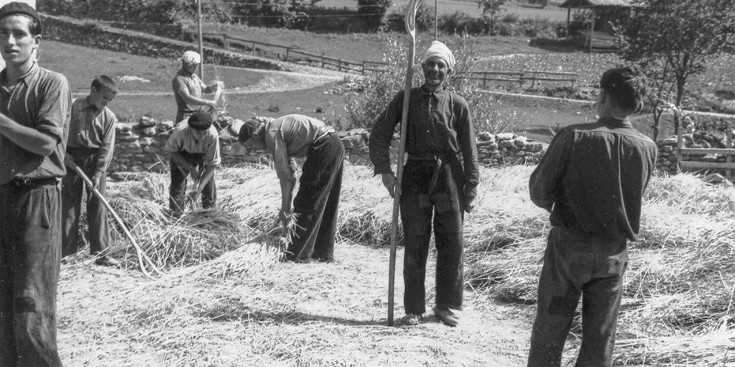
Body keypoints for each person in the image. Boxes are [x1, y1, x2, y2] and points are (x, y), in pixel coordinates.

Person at [526, 66, 657, 366]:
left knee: (550, 327)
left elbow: (539, 190)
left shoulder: (574, 136)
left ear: (603, 95)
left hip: (568, 249)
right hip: (613, 254)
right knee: (600, 338)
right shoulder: (647, 148)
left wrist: (555, 205)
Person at [369, 41, 479, 327]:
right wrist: (385, 171)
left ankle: (445, 306)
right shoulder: (405, 100)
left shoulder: (458, 104)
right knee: (416, 241)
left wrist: (472, 184)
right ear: (422, 68)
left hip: (448, 179)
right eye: (430, 64)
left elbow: (469, 149)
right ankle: (414, 309)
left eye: (441, 65)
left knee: (451, 240)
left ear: (449, 71)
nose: (435, 69)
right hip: (415, 176)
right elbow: (379, 133)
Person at [0, 2, 72, 366]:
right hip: (1, 197)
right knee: (3, 303)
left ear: (36, 41)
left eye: (19, 34)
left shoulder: (51, 84)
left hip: (36, 198)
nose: (10, 41)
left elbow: (46, 143)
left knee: (32, 302)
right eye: (3, 33)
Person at [238, 114, 344, 262]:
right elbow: (291, 172)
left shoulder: (272, 134)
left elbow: (285, 177)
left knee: (306, 201)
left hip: (323, 146)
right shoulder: (275, 127)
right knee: (325, 202)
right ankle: (322, 254)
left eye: (251, 145)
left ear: (256, 135)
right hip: (334, 143)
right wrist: (286, 206)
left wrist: (285, 208)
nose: (252, 151)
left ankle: (296, 255)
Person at [62, 75, 119, 267]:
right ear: (93, 91)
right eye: (104, 97)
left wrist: (98, 172)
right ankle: (66, 253)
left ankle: (101, 253)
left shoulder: (109, 117)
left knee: (98, 206)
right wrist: (63, 155)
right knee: (69, 206)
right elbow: (59, 132)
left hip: (95, 161)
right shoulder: (72, 107)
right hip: (71, 160)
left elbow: (107, 147)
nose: (106, 102)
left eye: (110, 100)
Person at [165, 110, 221, 217]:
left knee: (208, 186)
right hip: (181, 153)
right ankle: (176, 216)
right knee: (178, 185)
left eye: (205, 132)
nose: (202, 136)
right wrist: (190, 169)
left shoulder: (212, 134)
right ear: (191, 129)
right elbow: (172, 151)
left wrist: (198, 189)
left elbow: (213, 164)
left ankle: (210, 214)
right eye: (199, 132)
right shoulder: (181, 130)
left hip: (202, 154)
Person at [172, 50, 222, 124]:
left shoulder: (194, 76)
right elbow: (187, 98)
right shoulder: (179, 79)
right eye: (194, 65)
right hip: (186, 117)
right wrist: (207, 102)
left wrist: (213, 88)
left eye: (196, 65)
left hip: (198, 114)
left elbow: (205, 89)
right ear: (186, 64)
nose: (195, 67)